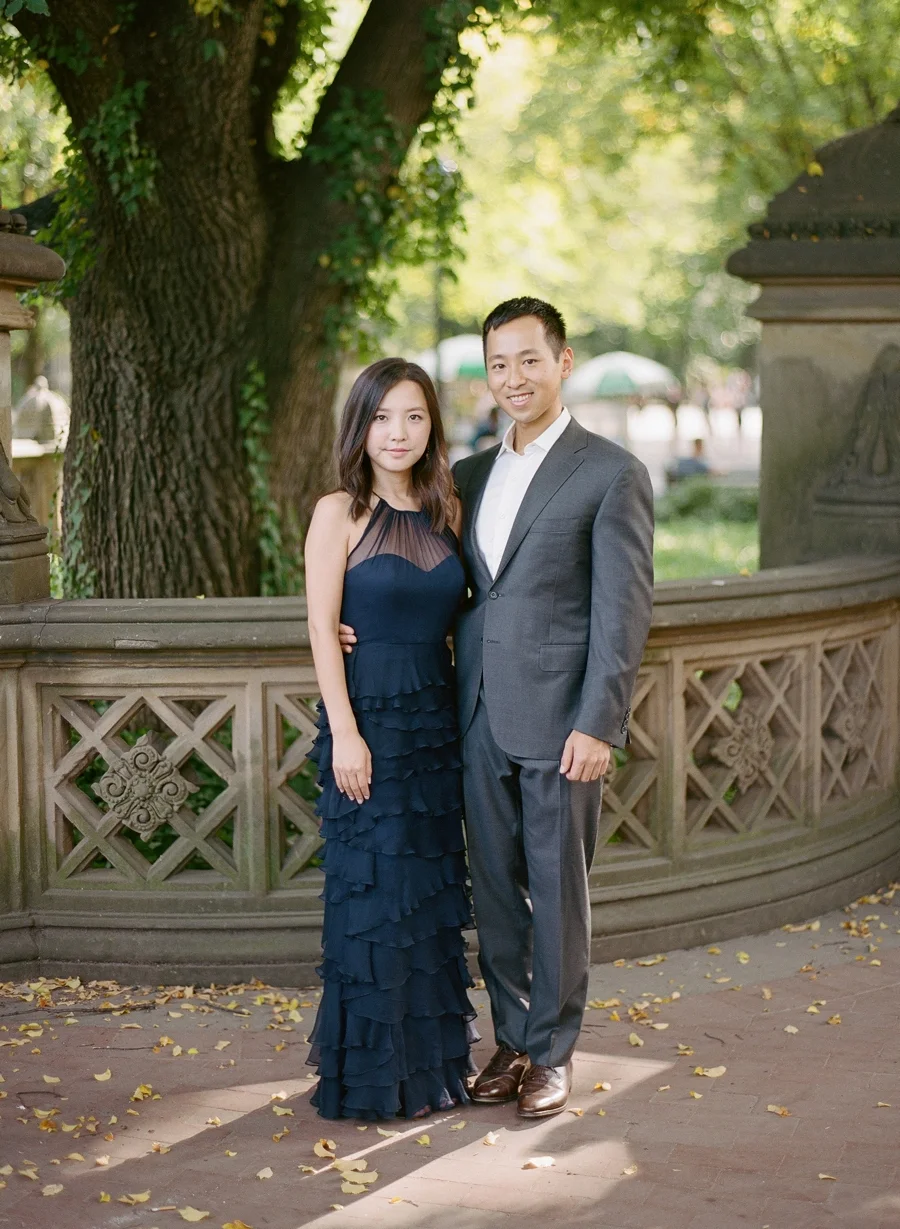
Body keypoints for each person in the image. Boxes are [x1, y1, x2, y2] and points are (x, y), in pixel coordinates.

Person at [341, 296, 654, 1120]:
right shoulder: (467, 475)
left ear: (563, 362)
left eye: (528, 360)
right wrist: (356, 625)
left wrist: (601, 720)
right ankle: (513, 1038)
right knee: (491, 887)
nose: (513, 378)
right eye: (499, 364)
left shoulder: (610, 471)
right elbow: (434, 579)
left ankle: (554, 1052)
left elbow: (624, 610)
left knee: (557, 889)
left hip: (562, 723)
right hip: (470, 713)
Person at [304, 357, 477, 1121]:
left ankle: (431, 1072)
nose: (397, 432)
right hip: (367, 720)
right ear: (361, 425)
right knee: (372, 899)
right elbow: (318, 624)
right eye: (382, 417)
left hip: (436, 726)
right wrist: (345, 731)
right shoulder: (337, 510)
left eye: (412, 416)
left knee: (427, 899)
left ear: (431, 423)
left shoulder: (449, 510)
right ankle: (369, 1079)